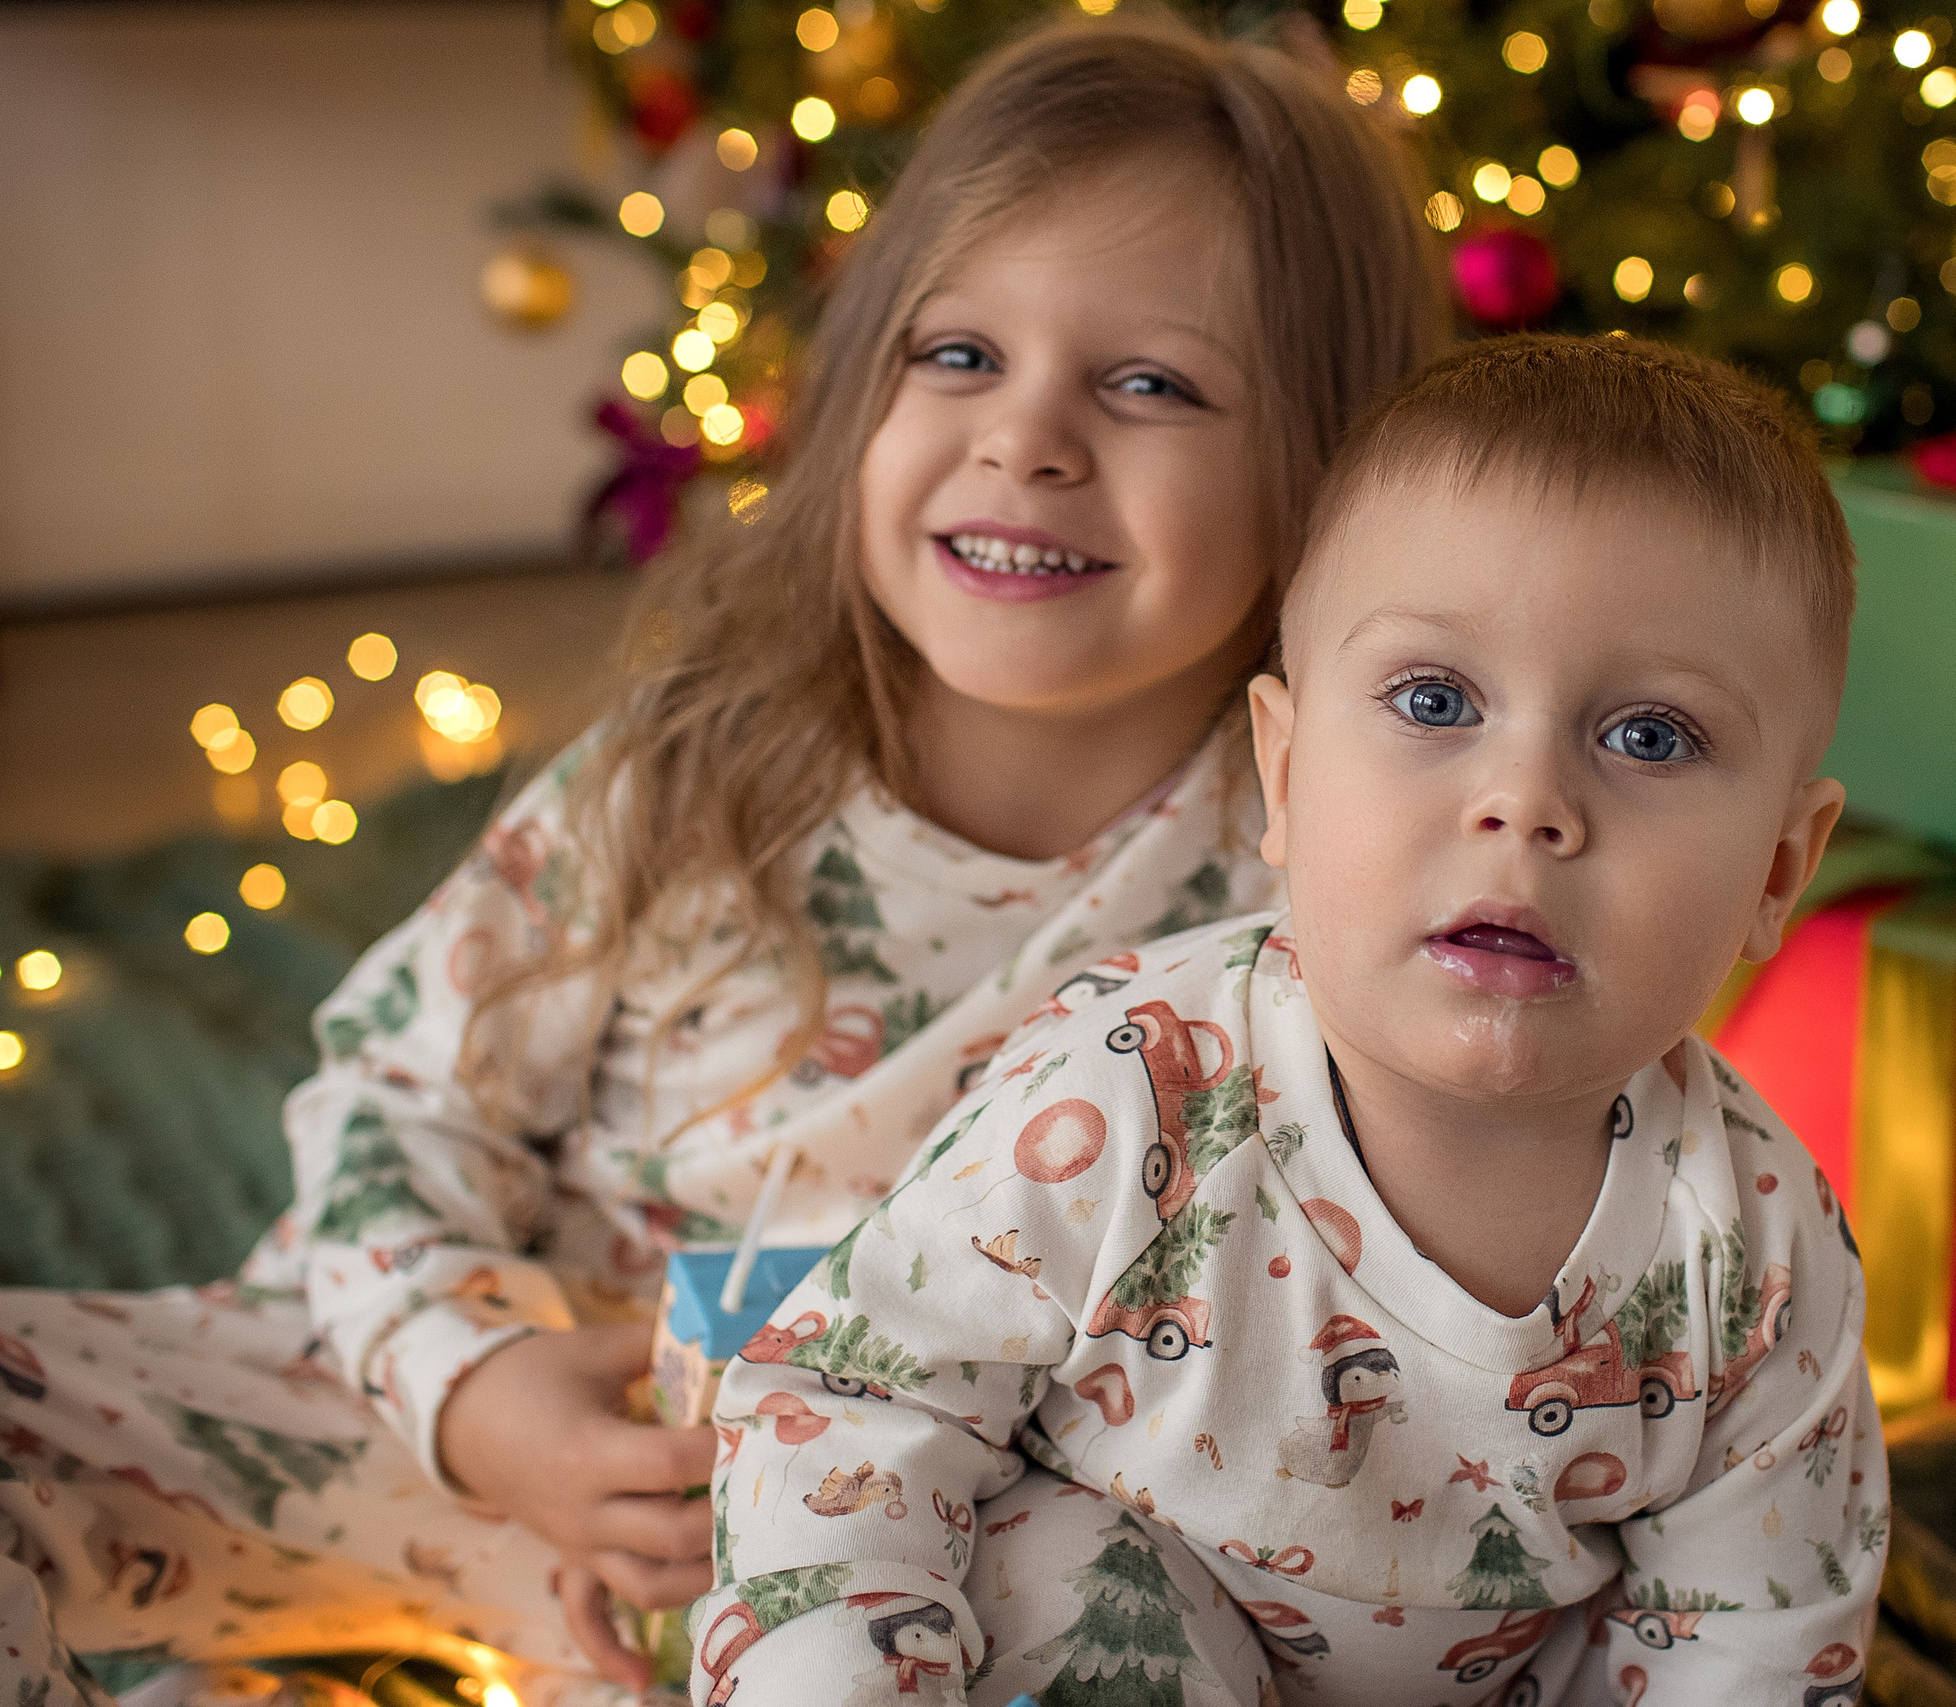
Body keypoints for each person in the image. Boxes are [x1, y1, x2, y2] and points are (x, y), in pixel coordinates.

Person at [0, 18, 1440, 1704]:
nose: (1026, 439)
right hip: (500, 1438)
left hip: (915, 1571)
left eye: (1150, 384)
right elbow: (398, 1101)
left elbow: (1310, 1367)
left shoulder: (1315, 896)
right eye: (956, 355)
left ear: (1329, 477)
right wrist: (479, 1390)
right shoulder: (699, 766)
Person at [701, 335, 1883, 1707]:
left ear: (1779, 872)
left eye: (1651, 738)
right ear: (1284, 769)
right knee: (1044, 1562)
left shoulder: (1758, 1250)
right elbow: (854, 1408)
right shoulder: (1128, 1092)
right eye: (1435, 702)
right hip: (1132, 1654)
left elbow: (1754, 1638)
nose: (1526, 803)